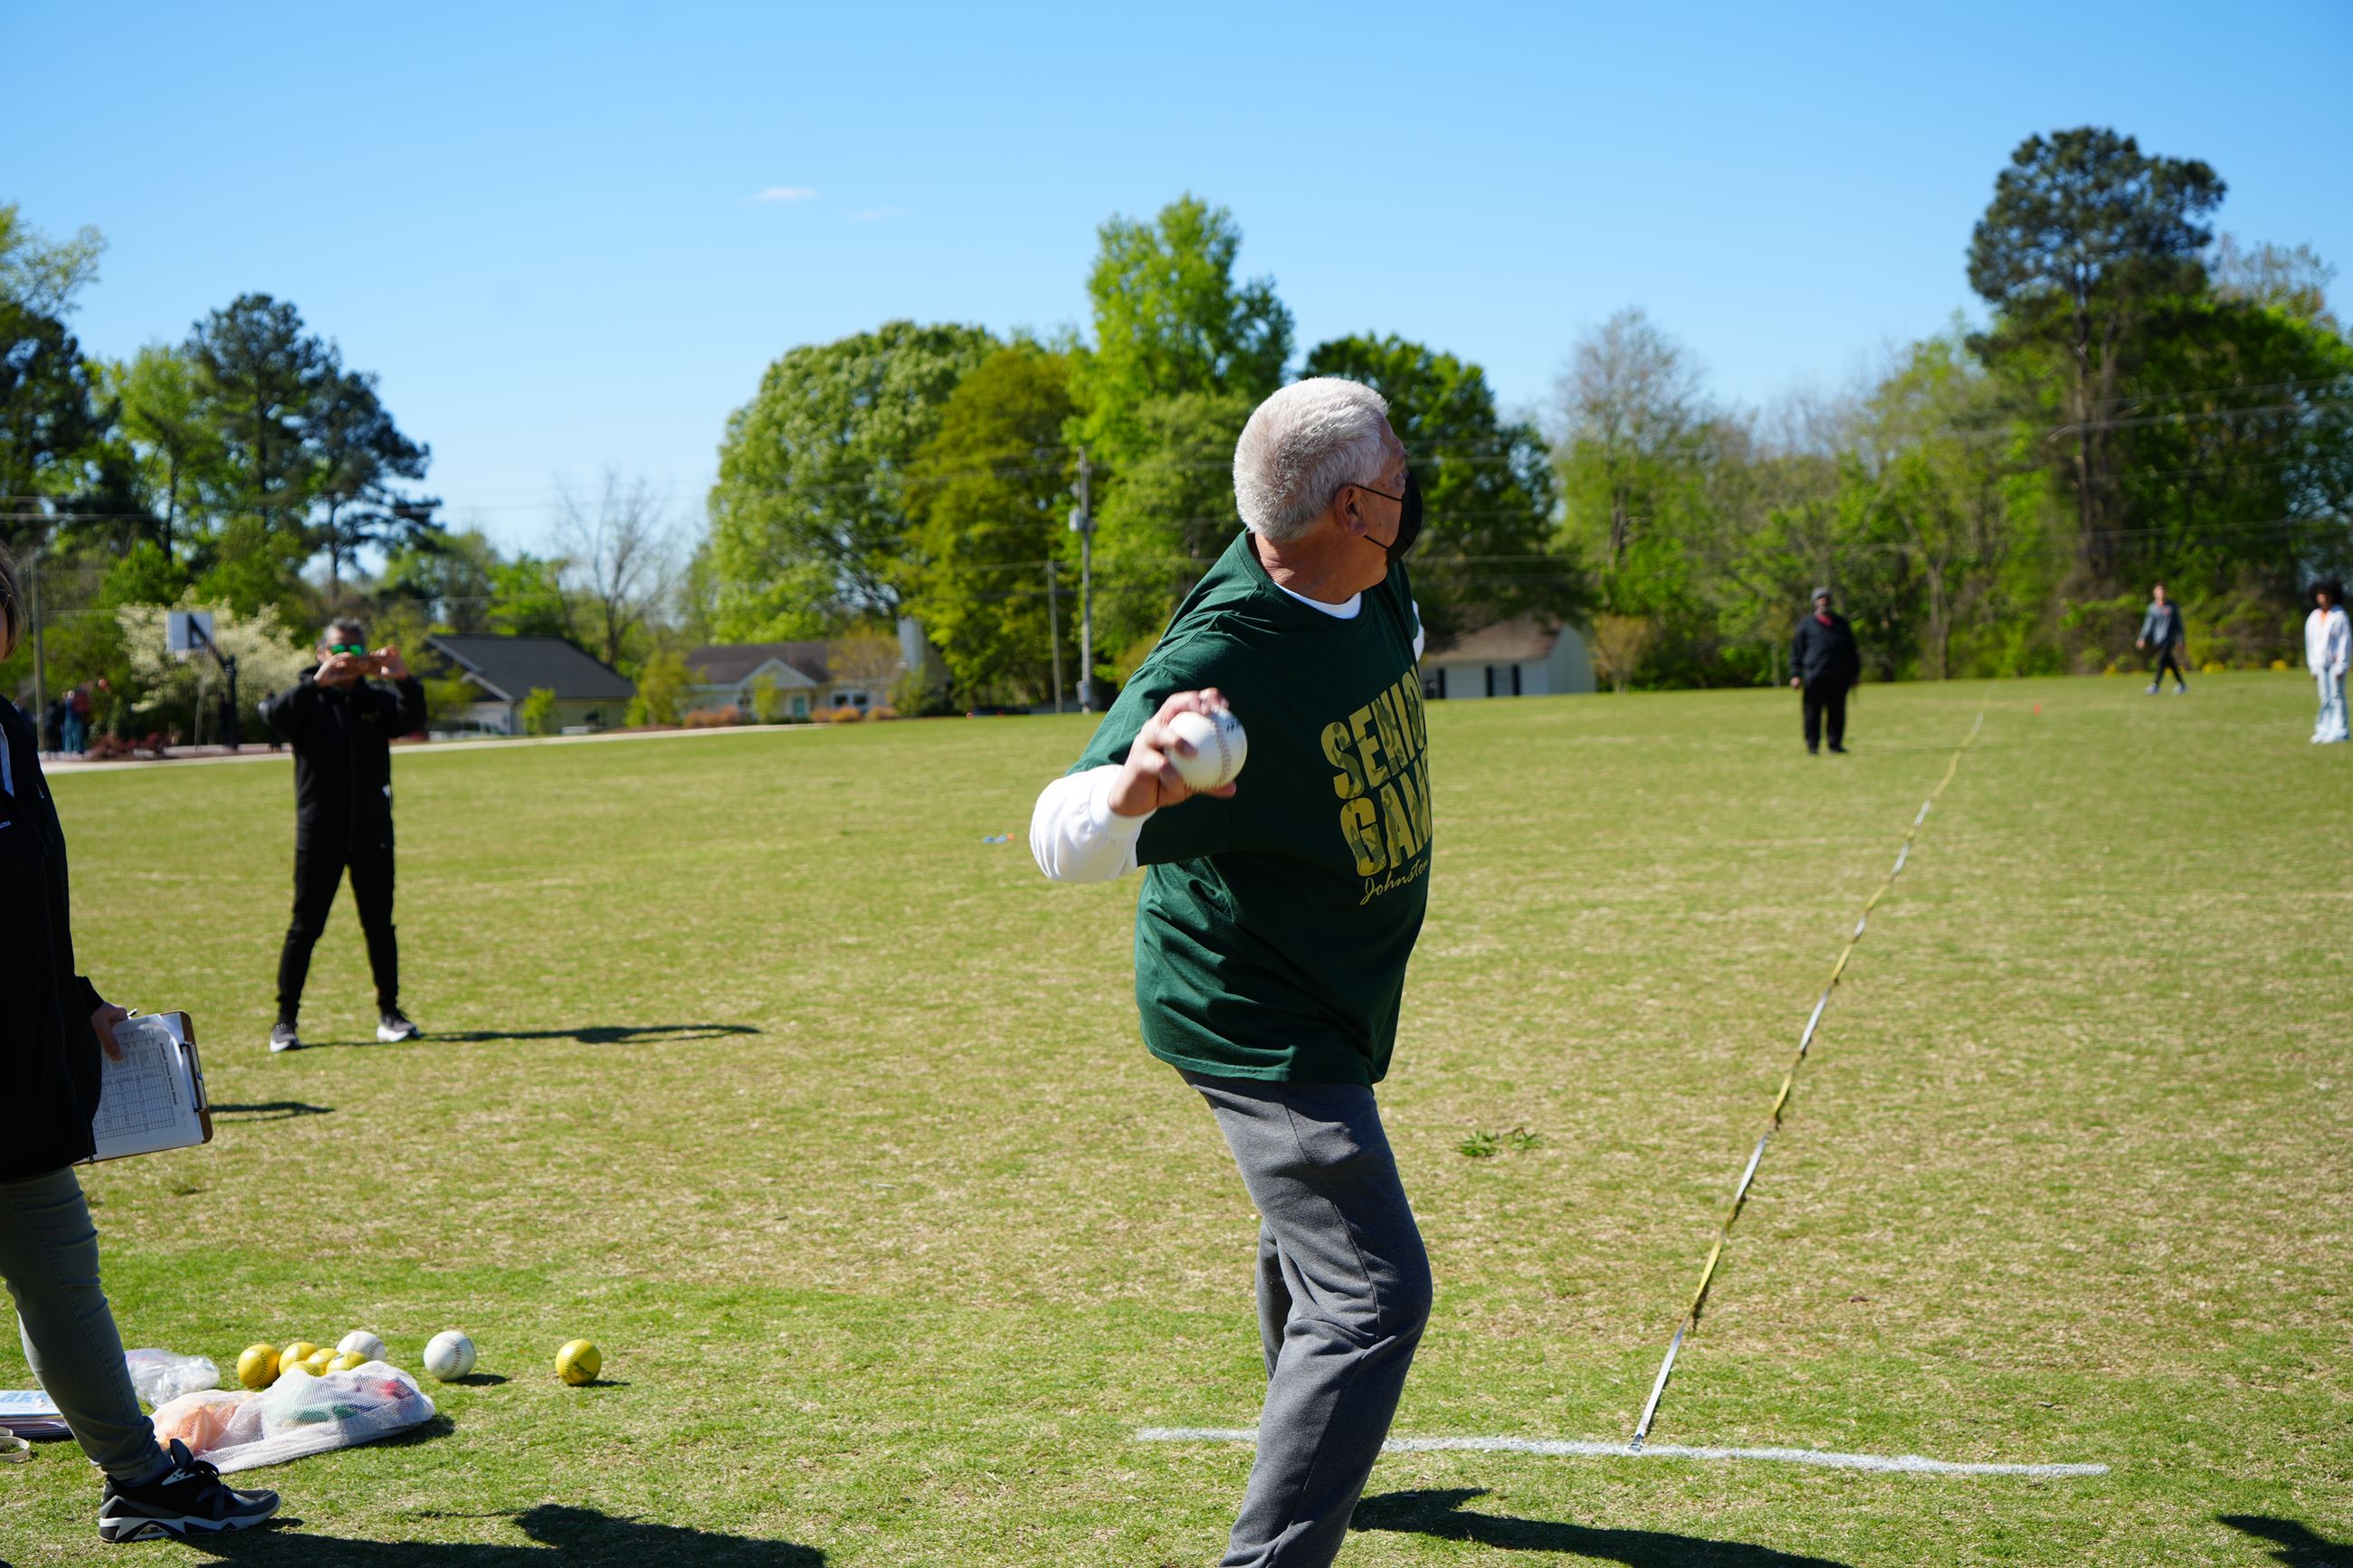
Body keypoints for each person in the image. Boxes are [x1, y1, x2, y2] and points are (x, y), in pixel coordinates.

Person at [1030, 378, 1434, 1568]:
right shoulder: (1225, 657)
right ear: (1354, 507)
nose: (1412, 475)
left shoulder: (1363, 567)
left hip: (1334, 981)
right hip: (1257, 1013)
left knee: (1306, 1239)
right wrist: (1133, 788)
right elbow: (1057, 837)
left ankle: (1309, 1432)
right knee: (1372, 1293)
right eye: (1396, 468)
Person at [0, 546, 282, 1542]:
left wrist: (75, 999)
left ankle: (137, 1476)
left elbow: (25, 904)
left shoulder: (8, 730)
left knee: (62, 1271)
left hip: (21, 1075)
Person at [259, 618, 427, 1052]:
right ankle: (285, 1021)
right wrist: (318, 683)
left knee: (379, 926)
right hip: (320, 834)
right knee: (305, 928)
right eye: (340, 650)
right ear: (321, 652)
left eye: (357, 651)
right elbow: (274, 718)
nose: (348, 659)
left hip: (372, 832)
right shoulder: (307, 700)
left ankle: (390, 1014)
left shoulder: (375, 700)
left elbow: (414, 719)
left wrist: (404, 679)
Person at [1789, 587, 1861, 754]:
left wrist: (1855, 673)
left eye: (1826, 598)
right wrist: (1795, 674)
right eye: (1820, 599)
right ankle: (1812, 745)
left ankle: (1835, 744)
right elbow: (1796, 651)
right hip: (1814, 677)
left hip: (1839, 676)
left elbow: (1852, 651)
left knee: (1837, 713)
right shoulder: (1806, 625)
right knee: (1812, 713)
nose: (1824, 601)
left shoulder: (1841, 624)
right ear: (1815, 602)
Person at [2308, 580, 2349, 745]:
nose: (2323, 599)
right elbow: (2310, 643)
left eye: (2326, 595)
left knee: (2337, 696)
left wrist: (2341, 664)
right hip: (2320, 664)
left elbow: (2345, 642)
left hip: (2335, 664)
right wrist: (2313, 666)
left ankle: (2340, 730)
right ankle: (2324, 729)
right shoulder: (2313, 618)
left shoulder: (2339, 616)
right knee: (2325, 698)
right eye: (2320, 595)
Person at [2136, 584, 2188, 695]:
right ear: (2155, 594)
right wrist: (2142, 638)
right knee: (2169, 662)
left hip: (2169, 639)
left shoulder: (2172, 606)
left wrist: (2180, 639)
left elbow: (2179, 625)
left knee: (2162, 660)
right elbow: (2148, 625)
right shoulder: (2152, 608)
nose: (2162, 593)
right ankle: (2182, 685)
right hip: (2158, 639)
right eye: (2159, 591)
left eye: (2163, 591)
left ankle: (2155, 685)